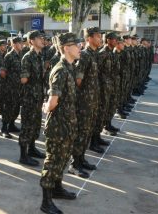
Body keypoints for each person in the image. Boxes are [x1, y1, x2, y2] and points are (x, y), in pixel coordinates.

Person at [40, 32, 82, 214]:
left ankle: (57, 189)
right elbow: (52, 102)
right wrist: (45, 107)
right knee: (53, 162)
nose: (79, 48)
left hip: (68, 124)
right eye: (76, 45)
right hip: (58, 126)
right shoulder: (60, 70)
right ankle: (46, 201)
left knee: (62, 159)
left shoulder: (70, 67)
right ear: (66, 48)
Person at [68, 27, 102, 179]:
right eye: (97, 36)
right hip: (84, 102)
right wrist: (82, 99)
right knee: (81, 132)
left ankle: (81, 159)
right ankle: (74, 165)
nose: (100, 38)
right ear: (89, 38)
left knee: (87, 132)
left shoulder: (95, 54)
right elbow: (78, 80)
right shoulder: (85, 55)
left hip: (93, 100)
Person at [19, 31, 46, 166]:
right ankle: (23, 155)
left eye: (42, 38)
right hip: (29, 97)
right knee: (27, 125)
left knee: (35, 124)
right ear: (31, 41)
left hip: (38, 96)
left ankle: (32, 148)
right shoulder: (27, 57)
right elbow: (24, 79)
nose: (42, 40)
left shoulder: (39, 56)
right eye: (39, 38)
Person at [0, 37, 23, 138]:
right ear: (14, 44)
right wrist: (9, 81)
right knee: (8, 107)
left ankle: (12, 125)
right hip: (10, 87)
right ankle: (4, 128)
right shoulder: (9, 56)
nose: (21, 44)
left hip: (19, 87)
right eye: (19, 43)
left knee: (16, 107)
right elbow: (2, 72)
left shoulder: (21, 55)